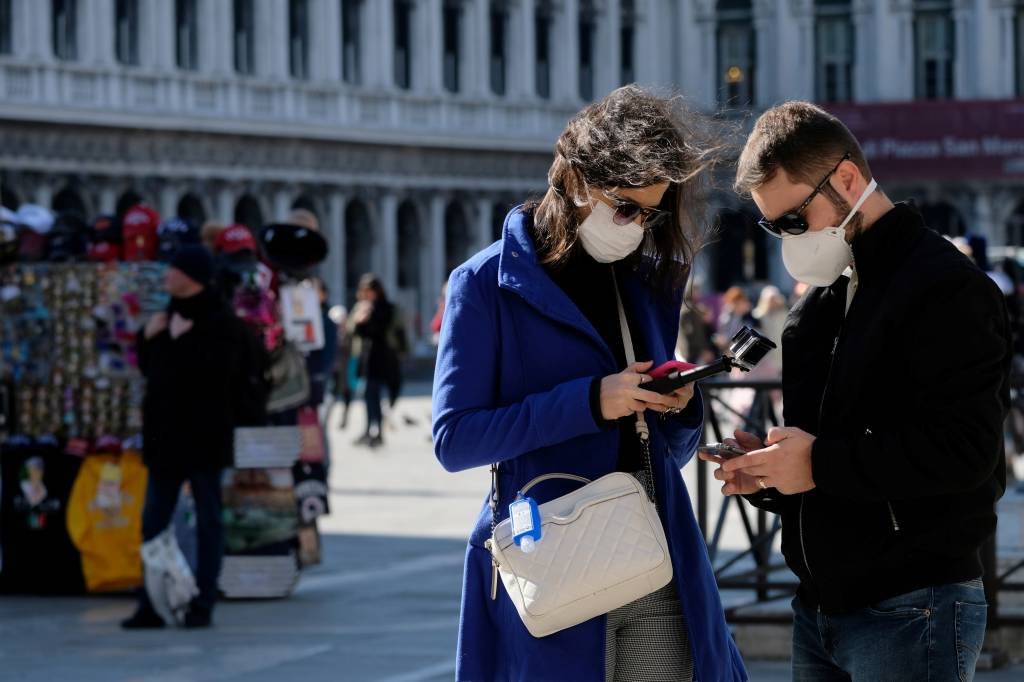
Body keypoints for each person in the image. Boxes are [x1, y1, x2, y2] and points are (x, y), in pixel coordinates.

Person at [432, 86, 746, 682]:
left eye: (652, 212)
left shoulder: (646, 281)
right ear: (576, 179)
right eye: (625, 206)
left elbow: (667, 452)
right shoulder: (483, 284)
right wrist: (587, 402)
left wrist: (678, 407)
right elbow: (455, 440)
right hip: (551, 564)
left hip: (654, 558)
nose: (636, 225)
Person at [702, 101, 1012, 681]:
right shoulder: (814, 308)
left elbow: (968, 453)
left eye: (795, 218)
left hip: (913, 604)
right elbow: (838, 458)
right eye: (774, 227)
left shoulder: (946, 287)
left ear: (847, 178)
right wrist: (773, 473)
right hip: (819, 606)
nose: (789, 240)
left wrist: (815, 463)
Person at [122, 245, 261, 629]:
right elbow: (155, 373)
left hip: (204, 438)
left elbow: (217, 378)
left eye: (175, 269)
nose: (167, 274)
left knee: (209, 520)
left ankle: (202, 602)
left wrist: (181, 341)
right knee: (153, 522)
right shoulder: (166, 317)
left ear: (192, 277)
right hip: (165, 439)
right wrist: (148, 340)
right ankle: (151, 601)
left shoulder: (222, 322)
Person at [350, 274, 397, 448]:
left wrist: (368, 316)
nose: (367, 295)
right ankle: (368, 429)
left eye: (369, 291)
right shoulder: (362, 307)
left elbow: (379, 330)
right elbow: (357, 332)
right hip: (366, 358)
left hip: (380, 358)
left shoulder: (385, 308)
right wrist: (359, 320)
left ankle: (377, 431)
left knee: (374, 395)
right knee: (367, 396)